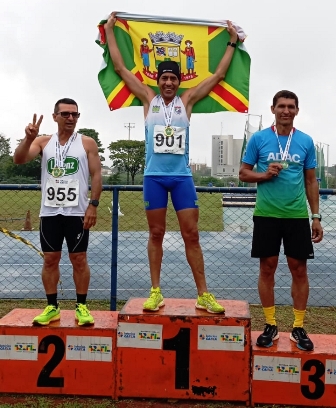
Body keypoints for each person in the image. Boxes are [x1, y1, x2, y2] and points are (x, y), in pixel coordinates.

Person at [105, 12, 239, 313]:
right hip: (153, 176)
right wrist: (111, 31)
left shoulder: (187, 101)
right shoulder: (146, 99)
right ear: (158, 80)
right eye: (164, 78)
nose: (168, 82)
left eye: (173, 79)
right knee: (156, 234)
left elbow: (217, 77)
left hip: (181, 178)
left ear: (179, 82)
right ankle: (155, 291)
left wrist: (231, 42)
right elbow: (119, 67)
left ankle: (203, 294)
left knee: (191, 234)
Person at [239, 90, 323, 351]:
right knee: (267, 269)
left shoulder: (306, 141)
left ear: (297, 111)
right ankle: (270, 324)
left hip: (296, 215)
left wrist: (316, 216)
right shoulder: (259, 139)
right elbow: (243, 173)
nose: (286, 110)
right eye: (281, 106)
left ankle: (298, 327)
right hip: (266, 215)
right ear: (273, 108)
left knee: (299, 270)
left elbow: (311, 180)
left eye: (291, 107)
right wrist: (264, 175)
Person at [13, 98, 102, 326]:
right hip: (50, 212)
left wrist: (93, 204)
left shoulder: (87, 143)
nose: (71, 118)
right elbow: (19, 159)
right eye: (65, 114)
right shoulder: (43, 142)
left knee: (79, 259)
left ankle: (81, 307)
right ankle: (52, 307)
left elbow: (96, 175)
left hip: (77, 212)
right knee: (51, 259)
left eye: (75, 114)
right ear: (55, 117)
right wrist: (29, 138)